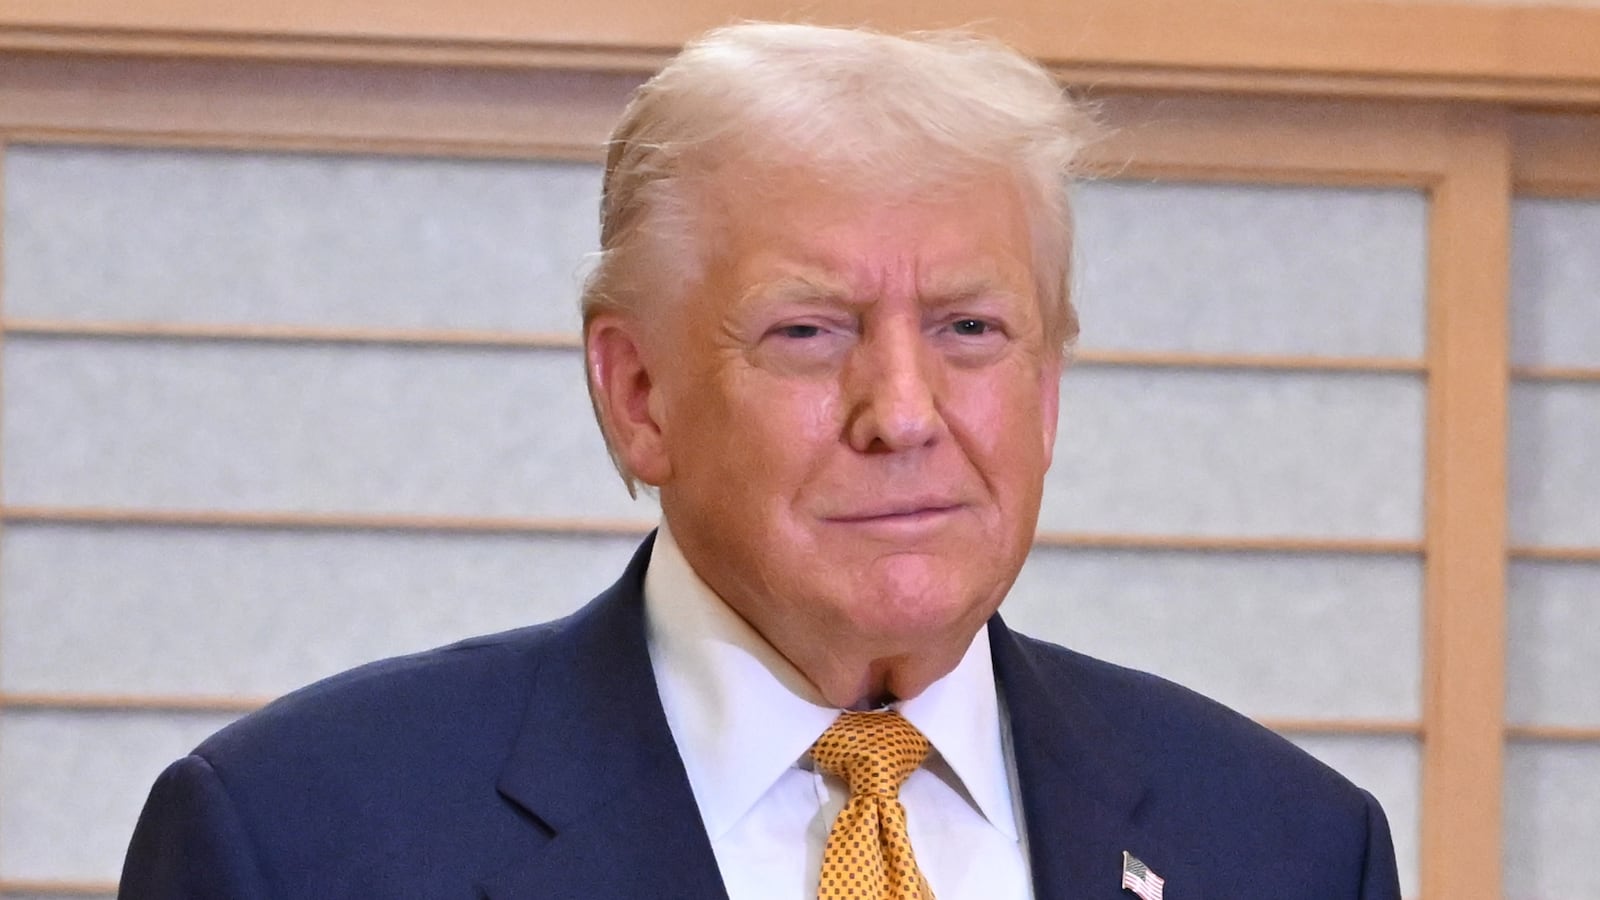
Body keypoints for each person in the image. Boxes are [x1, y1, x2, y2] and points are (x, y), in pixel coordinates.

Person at [120, 22, 1400, 900]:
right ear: (636, 394)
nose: (902, 411)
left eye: (969, 329)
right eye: (808, 333)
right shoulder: (302, 839)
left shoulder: (1284, 845)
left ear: (1047, 387)